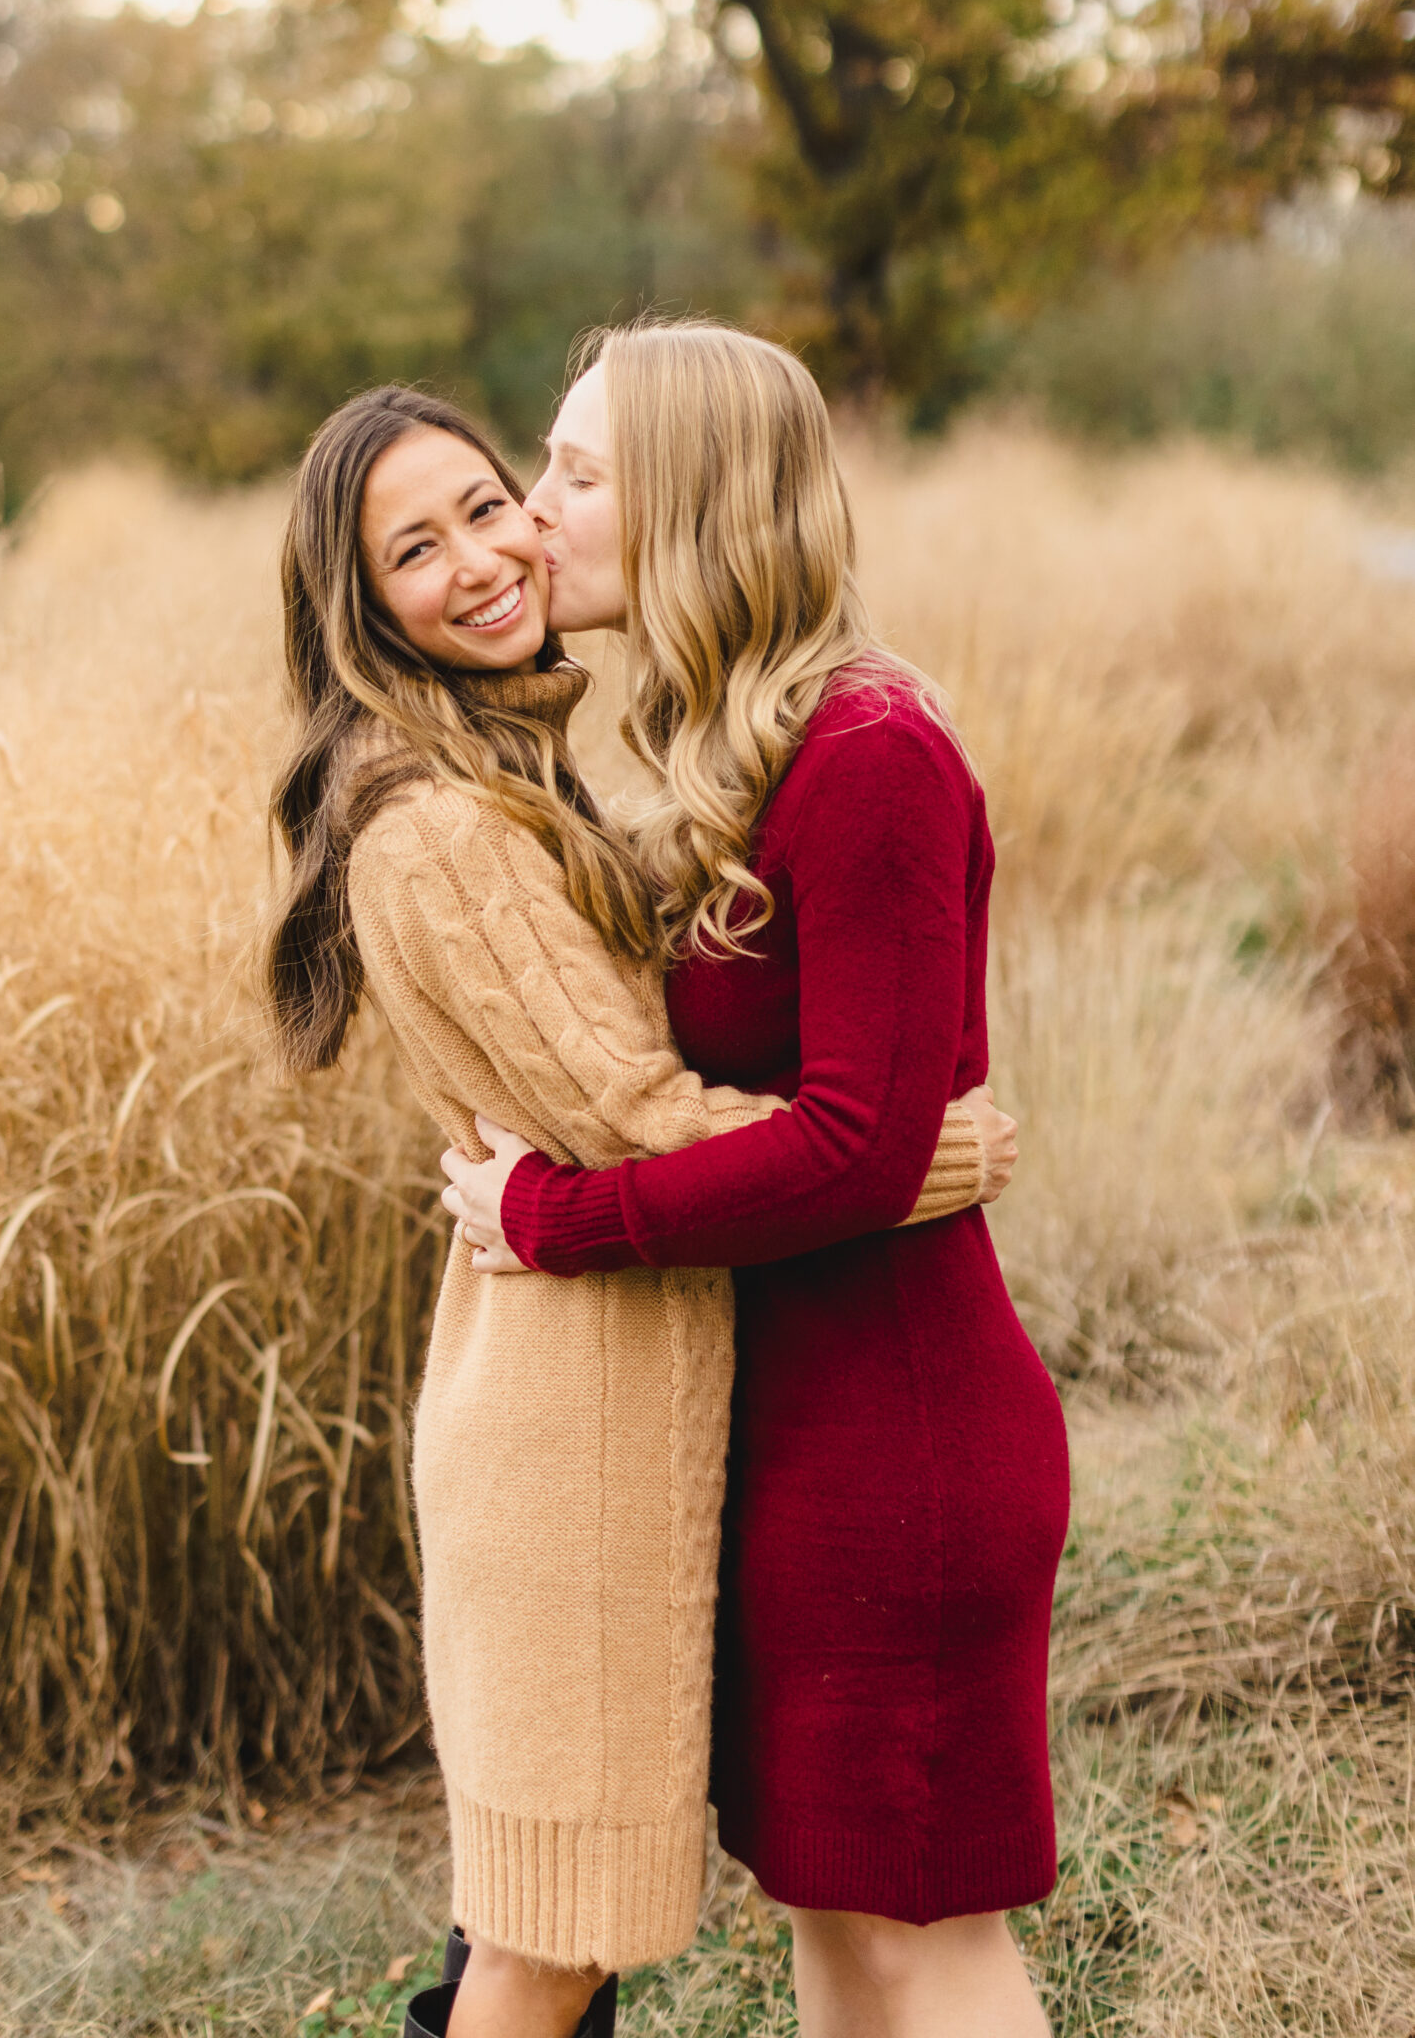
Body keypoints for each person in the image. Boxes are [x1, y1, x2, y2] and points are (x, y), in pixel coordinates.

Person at [263, 384, 1014, 2038]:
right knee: (549, 1944)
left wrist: (866, 1136)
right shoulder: (445, 822)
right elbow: (645, 1120)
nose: (497, 542)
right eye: (419, 544)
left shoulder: (523, 771)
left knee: (547, 1937)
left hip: (612, 1395)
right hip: (572, 1425)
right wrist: (924, 1151)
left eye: (503, 495)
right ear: (357, 605)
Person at [442, 324, 1069, 2038]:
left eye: (577, 472)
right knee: (835, 1928)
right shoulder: (728, 750)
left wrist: (557, 1222)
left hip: (904, 1440)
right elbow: (840, 1126)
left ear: (694, 504)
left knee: (913, 1939)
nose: (531, 508)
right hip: (791, 1429)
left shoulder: (871, 752)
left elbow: (858, 1141)